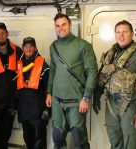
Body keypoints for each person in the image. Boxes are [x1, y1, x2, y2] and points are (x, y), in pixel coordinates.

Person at [93, 20, 136, 149]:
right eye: (118, 32)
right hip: (111, 106)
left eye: (125, 32)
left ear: (132, 33)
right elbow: (103, 76)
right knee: (115, 144)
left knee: (132, 145)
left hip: (131, 107)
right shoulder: (110, 54)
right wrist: (96, 95)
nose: (121, 35)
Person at [45, 13, 98, 149]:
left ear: (70, 25)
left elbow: (92, 72)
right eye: (57, 25)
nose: (60, 28)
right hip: (57, 101)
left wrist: (86, 98)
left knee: (79, 139)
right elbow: (53, 70)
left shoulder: (83, 45)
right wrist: (49, 92)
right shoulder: (54, 46)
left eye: (64, 24)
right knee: (57, 137)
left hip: (76, 101)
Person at [16, 37, 50, 149]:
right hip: (24, 110)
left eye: (31, 46)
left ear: (35, 48)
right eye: (26, 46)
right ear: (23, 48)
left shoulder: (44, 66)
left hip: (38, 112)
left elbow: (48, 89)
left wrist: (47, 109)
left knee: (39, 141)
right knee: (28, 139)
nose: (28, 48)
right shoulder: (19, 65)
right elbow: (14, 88)